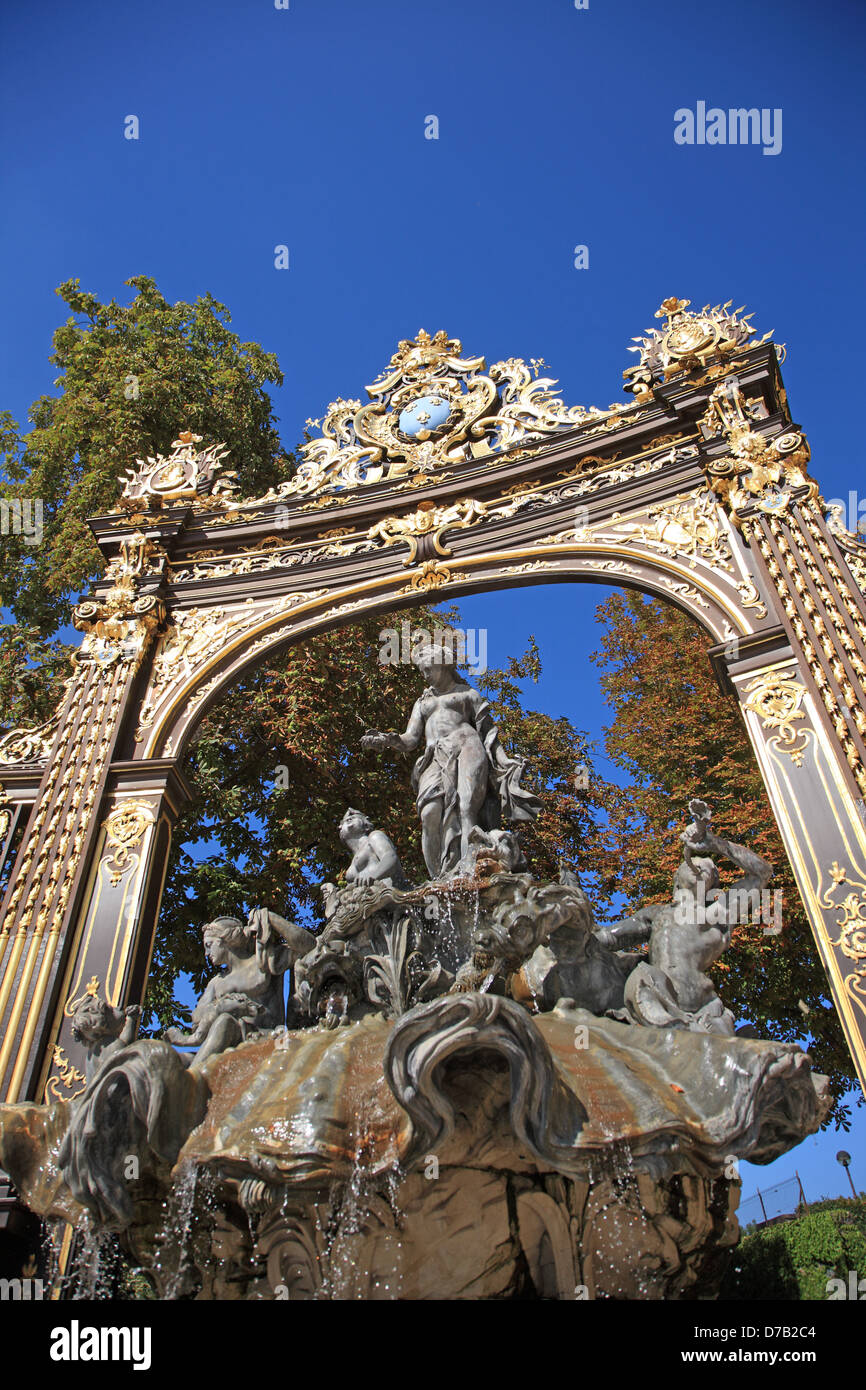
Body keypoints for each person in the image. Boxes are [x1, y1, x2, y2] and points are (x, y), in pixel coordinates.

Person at [361, 639, 540, 879]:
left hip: (467, 746)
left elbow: (488, 732)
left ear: (443, 664)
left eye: (428, 669)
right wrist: (386, 739)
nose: (425, 676)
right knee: (429, 814)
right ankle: (438, 879)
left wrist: (504, 761)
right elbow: (410, 740)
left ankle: (469, 870)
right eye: (421, 671)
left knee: (467, 807)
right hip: (435, 756)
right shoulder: (423, 703)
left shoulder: (466, 693)